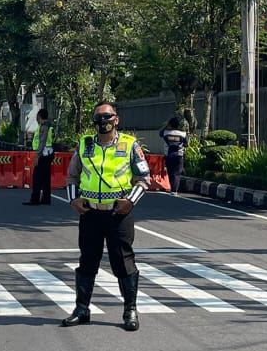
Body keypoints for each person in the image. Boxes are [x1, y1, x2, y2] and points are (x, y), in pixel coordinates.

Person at [61, 102, 152, 332]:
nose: (103, 121)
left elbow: (144, 178)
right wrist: (73, 199)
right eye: (99, 118)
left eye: (107, 117)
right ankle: (82, 309)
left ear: (116, 119)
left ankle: (130, 310)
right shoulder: (84, 145)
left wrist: (130, 201)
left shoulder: (130, 145)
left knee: (123, 261)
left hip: (118, 214)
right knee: (87, 261)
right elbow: (72, 176)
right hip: (90, 213)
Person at [24, 108, 55, 205]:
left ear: (40, 116)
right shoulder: (49, 126)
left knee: (37, 177)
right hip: (48, 153)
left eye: (37, 116)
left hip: (43, 154)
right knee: (45, 178)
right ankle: (46, 199)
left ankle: (35, 199)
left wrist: (37, 156)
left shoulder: (44, 127)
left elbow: (42, 141)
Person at [159, 114, 188, 194]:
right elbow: (186, 144)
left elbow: (160, 133)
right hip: (179, 156)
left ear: (170, 124)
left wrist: (166, 126)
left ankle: (171, 188)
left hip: (168, 156)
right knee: (177, 173)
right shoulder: (183, 134)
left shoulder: (165, 133)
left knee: (170, 172)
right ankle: (174, 190)